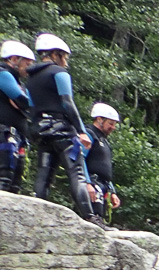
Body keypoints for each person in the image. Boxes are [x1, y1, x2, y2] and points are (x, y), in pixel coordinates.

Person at [26, 34, 101, 226]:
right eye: (64, 57)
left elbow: (32, 107)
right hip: (62, 131)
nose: (66, 62)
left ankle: (36, 218)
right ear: (55, 54)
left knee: (43, 174)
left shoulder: (30, 78)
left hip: (42, 133)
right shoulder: (59, 73)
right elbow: (68, 103)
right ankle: (90, 217)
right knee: (77, 173)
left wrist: (34, 129)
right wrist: (81, 131)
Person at [0, 40, 34, 193]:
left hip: (17, 134)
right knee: (5, 177)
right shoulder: (3, 73)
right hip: (4, 132)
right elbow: (23, 101)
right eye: (27, 64)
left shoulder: (19, 82)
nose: (29, 68)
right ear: (14, 59)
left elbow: (26, 104)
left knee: (15, 182)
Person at [83, 102, 120, 222]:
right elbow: (80, 159)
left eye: (114, 125)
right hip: (93, 182)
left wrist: (112, 191)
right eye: (110, 123)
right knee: (94, 217)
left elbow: (104, 167)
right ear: (99, 119)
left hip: (103, 184)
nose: (113, 127)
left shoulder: (104, 140)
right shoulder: (88, 134)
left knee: (101, 218)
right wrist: (87, 183)